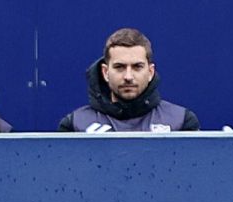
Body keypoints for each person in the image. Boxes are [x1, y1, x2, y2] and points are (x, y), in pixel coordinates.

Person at [58, 29, 201, 132]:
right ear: (105, 72)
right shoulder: (76, 125)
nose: (128, 76)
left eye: (137, 67)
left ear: (150, 72)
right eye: (119, 67)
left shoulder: (181, 122)